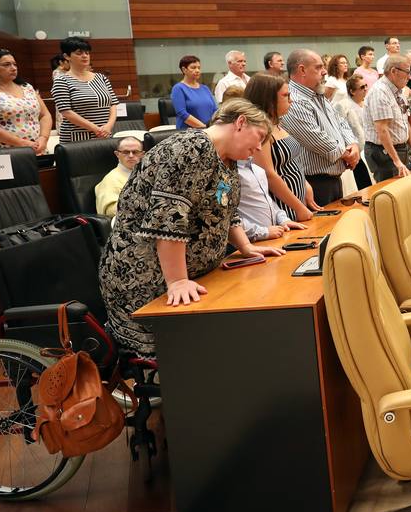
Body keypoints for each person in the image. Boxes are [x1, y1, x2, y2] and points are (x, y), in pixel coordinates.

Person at [98, 98, 286, 355]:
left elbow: (224, 210)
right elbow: (169, 220)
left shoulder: (227, 159)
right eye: (260, 136)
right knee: (194, 354)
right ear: (240, 123)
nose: (259, 146)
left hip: (194, 279)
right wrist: (177, 281)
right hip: (150, 282)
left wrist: (246, 247)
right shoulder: (190, 149)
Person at [281, 49, 360, 205]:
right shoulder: (295, 100)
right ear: (302, 70)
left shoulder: (318, 94)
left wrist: (353, 144)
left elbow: (341, 121)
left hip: (332, 179)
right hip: (314, 183)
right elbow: (316, 139)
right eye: (318, 67)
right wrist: (348, 155)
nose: (324, 72)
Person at [243, 72, 318, 221]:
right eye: (285, 96)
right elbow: (268, 175)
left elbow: (291, 161)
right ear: (269, 100)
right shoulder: (260, 130)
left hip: (296, 200)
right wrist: (298, 207)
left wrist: (305, 184)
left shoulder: (277, 123)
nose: (291, 100)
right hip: (282, 205)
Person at [0, 48, 52, 154]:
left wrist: (43, 138)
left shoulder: (27, 87)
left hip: (35, 149)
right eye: (6, 65)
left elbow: (45, 115)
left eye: (14, 64)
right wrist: (22, 143)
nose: (13, 68)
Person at [53, 37, 118, 143]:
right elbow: (66, 112)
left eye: (87, 53)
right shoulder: (61, 81)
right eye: (79, 53)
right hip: (77, 137)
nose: (84, 56)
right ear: (66, 56)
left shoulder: (101, 78)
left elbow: (113, 104)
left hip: (105, 134)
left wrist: (109, 126)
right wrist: (95, 128)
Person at [363, 55, 411, 180]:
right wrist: (396, 161)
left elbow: (405, 122)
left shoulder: (399, 91)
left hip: (400, 149)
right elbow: (382, 130)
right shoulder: (380, 92)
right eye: (407, 72)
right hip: (384, 153)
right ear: (393, 71)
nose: (409, 77)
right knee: (392, 190)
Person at [236, 154, 307, 241]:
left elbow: (268, 200)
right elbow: (230, 217)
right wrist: (263, 232)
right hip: (247, 241)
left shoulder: (258, 170)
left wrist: (283, 220)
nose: (259, 148)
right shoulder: (232, 174)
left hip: (270, 236)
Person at [95, 136, 145, 216]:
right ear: (117, 154)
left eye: (135, 152)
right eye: (126, 152)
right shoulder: (111, 179)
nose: (131, 155)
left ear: (142, 154)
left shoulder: (148, 173)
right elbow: (110, 211)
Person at [172, 55, 217, 129]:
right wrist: (204, 127)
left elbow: (215, 110)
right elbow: (182, 114)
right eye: (193, 67)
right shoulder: (178, 88)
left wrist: (215, 126)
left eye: (199, 68)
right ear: (184, 70)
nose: (197, 70)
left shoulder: (205, 88)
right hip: (189, 132)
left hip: (209, 130)